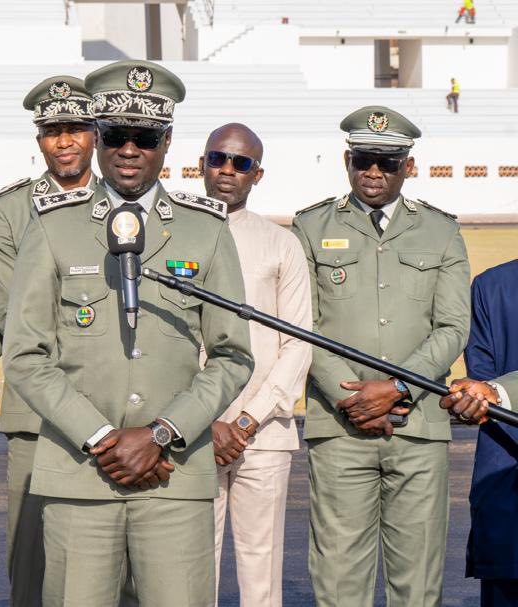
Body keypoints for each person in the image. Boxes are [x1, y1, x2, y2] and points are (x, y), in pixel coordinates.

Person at [3, 59, 254, 606]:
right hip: (77, 475)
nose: (129, 150)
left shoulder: (205, 227)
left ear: (166, 142)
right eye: (116, 135)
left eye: (144, 137)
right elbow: (24, 355)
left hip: (174, 473)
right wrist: (100, 437)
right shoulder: (52, 223)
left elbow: (234, 355)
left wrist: (162, 432)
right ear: (97, 138)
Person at [291, 106, 471, 607]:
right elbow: (301, 324)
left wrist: (397, 387)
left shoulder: (440, 231)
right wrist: (351, 398)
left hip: (419, 425)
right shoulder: (308, 227)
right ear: (348, 161)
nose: (374, 172)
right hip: (339, 424)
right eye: (364, 160)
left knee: (418, 579)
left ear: (407, 167)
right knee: (337, 576)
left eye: (387, 163)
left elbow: (453, 326)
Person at [0, 74, 98, 606]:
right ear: (39, 140)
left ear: (94, 133)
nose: (65, 140)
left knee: (113, 559)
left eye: (75, 128)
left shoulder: (123, 201)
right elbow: (17, 316)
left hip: (118, 409)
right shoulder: (10, 211)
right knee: (29, 562)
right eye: (54, 130)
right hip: (37, 413)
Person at [200, 123, 311, 607]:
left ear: (257, 173)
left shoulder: (281, 243)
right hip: (191, 432)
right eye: (218, 159)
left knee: (261, 571)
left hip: (262, 433)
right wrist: (203, 421)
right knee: (191, 568)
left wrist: (246, 420)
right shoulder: (171, 235)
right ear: (200, 164)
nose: (228, 170)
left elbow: (298, 343)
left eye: (240, 163)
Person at [461, 259, 518, 606]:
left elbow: (483, 379)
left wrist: (495, 393)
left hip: (503, 464)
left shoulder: (489, 284)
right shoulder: (489, 286)